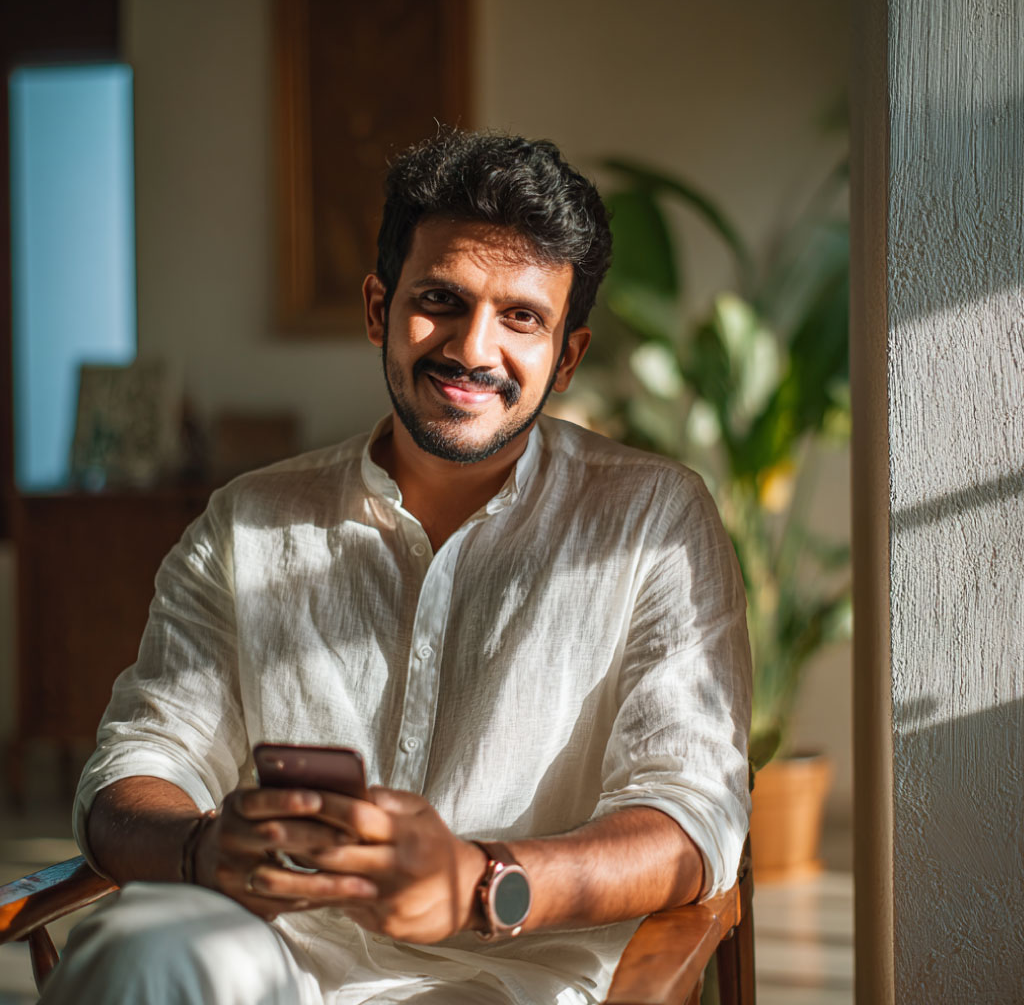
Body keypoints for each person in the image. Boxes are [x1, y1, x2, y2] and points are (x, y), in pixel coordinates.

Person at [42, 130, 751, 1005]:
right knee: (138, 946)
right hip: (271, 956)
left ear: (566, 356)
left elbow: (691, 818)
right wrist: (200, 849)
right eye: (441, 301)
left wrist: (482, 880)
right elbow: (134, 765)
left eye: (522, 317)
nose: (472, 350)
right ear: (380, 309)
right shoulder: (248, 522)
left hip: (512, 973)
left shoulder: (652, 521)